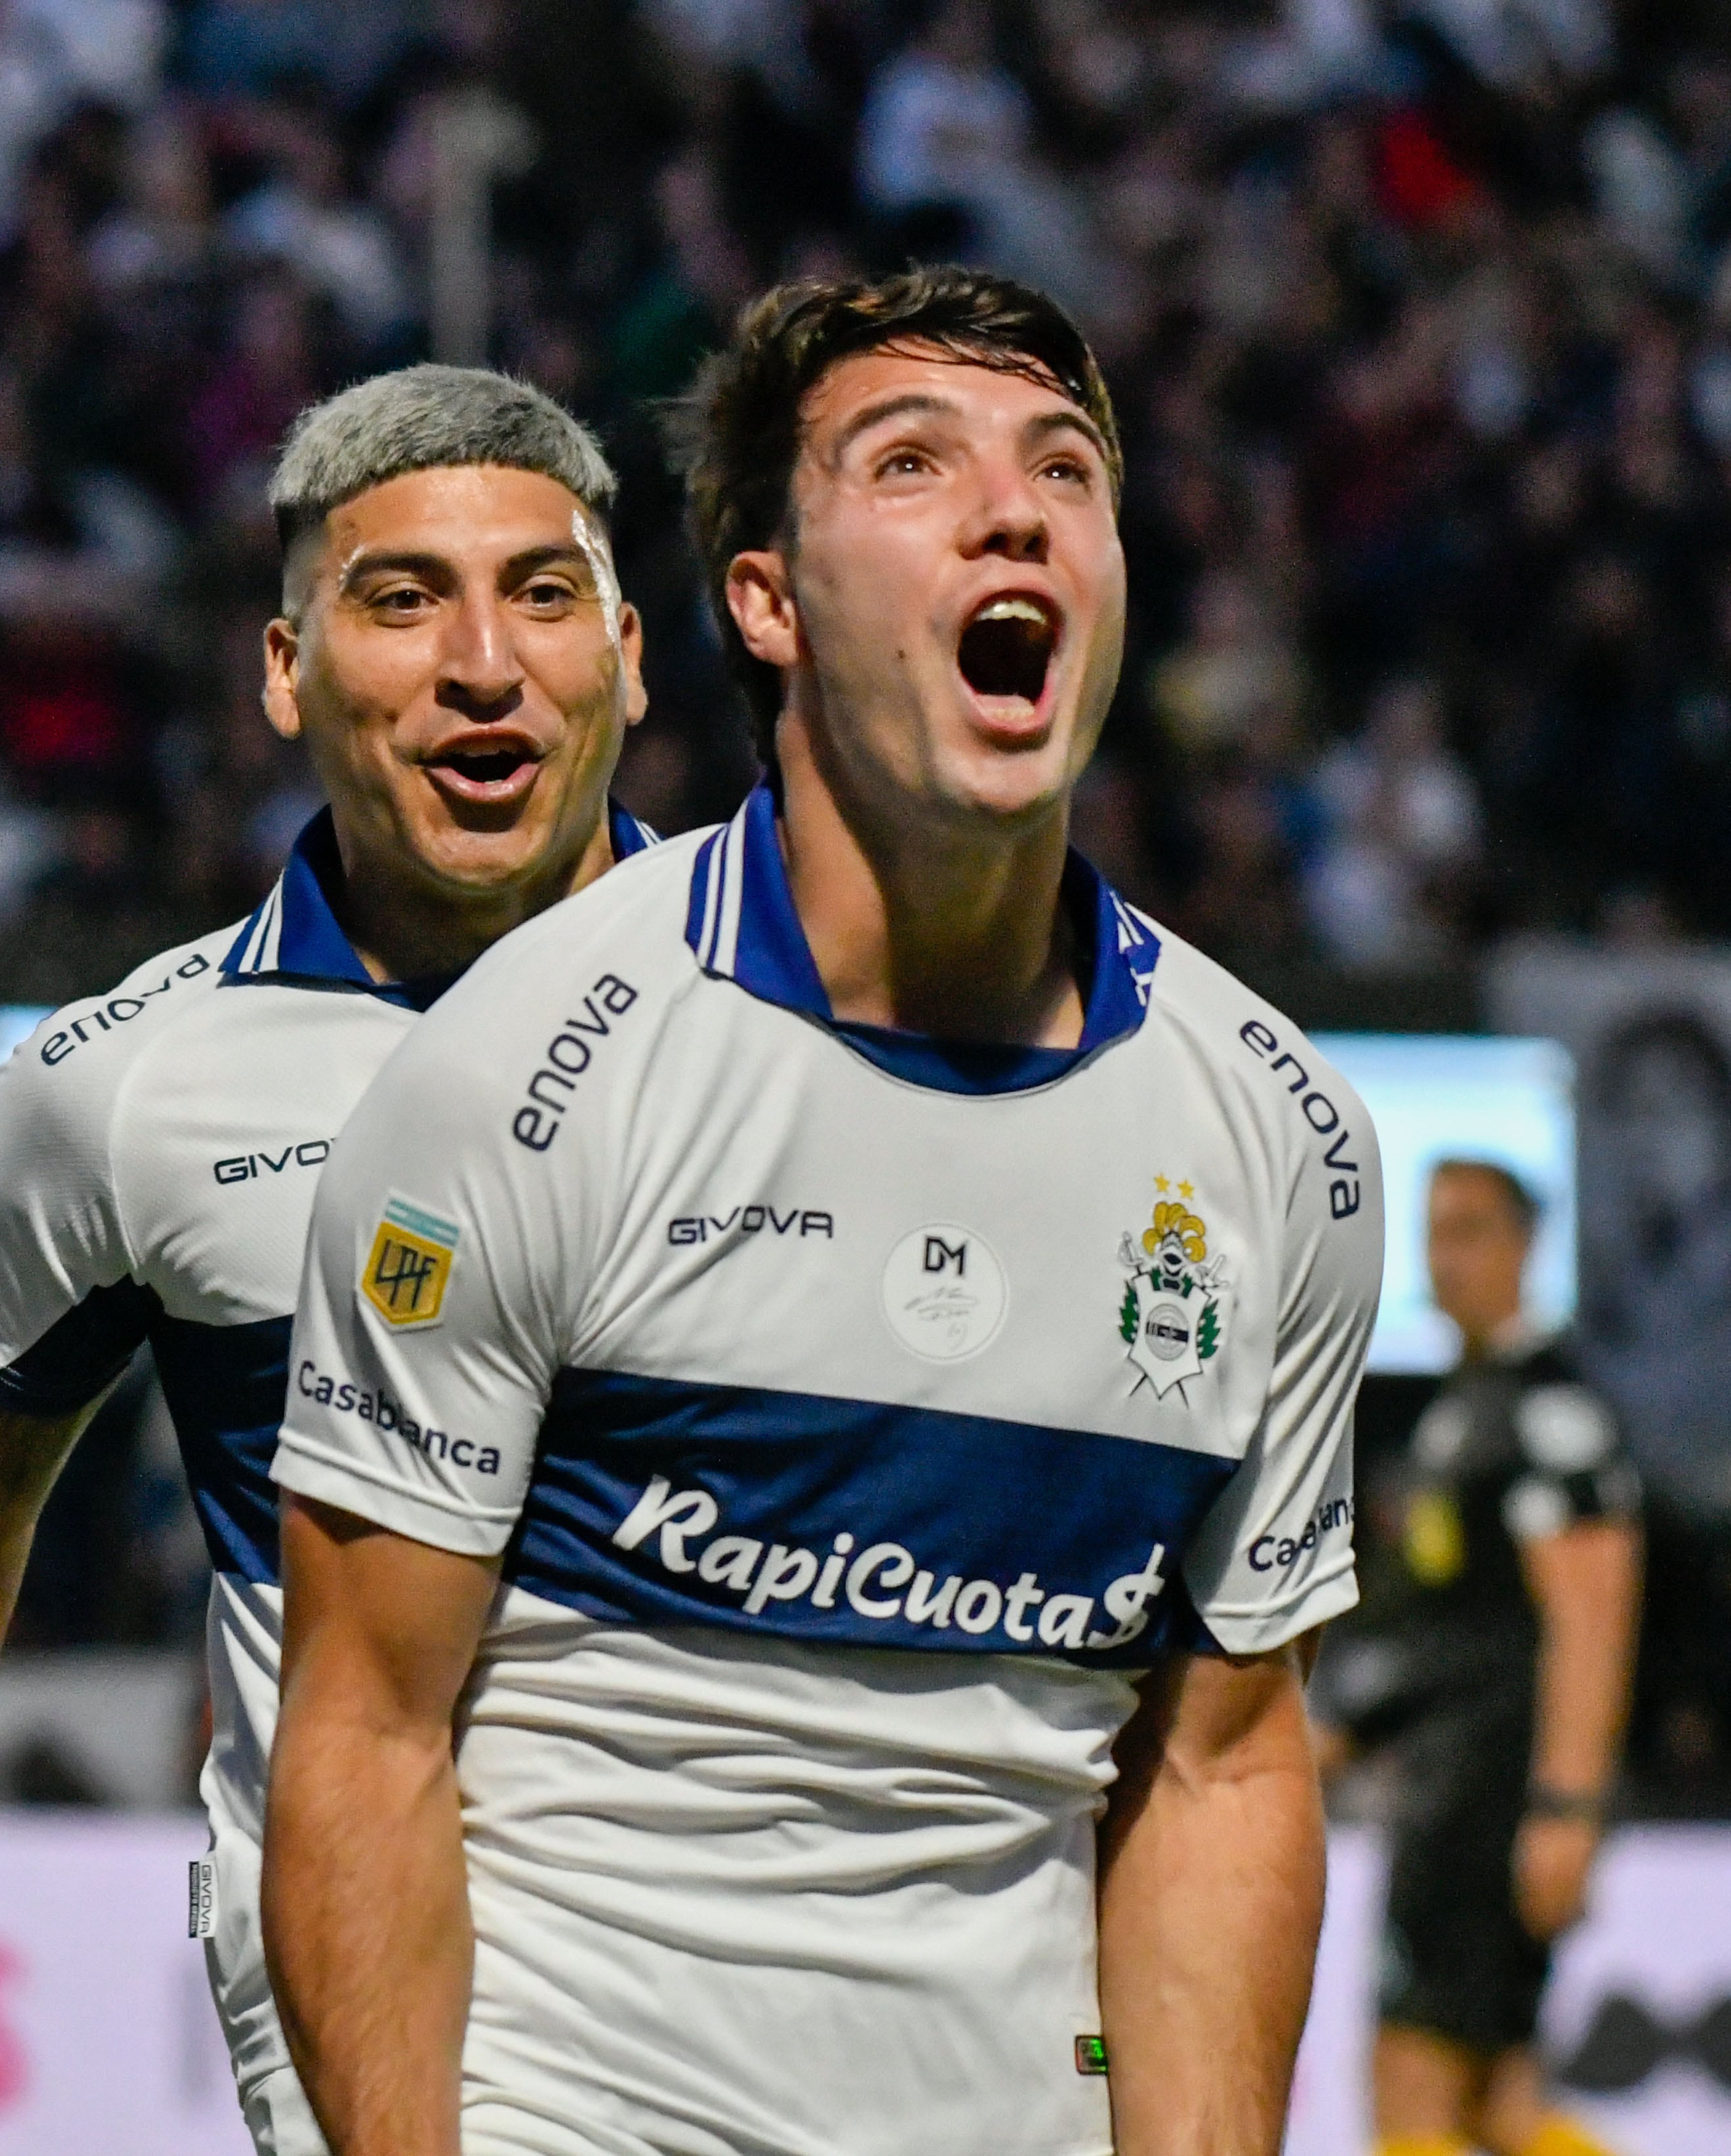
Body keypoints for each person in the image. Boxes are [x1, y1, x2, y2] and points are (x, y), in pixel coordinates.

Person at [262, 265, 1384, 2156]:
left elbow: (1219, 1762)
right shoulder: (528, 1073)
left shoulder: (1281, 1131)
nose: (1011, 508)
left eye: (1062, 469)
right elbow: (363, 1737)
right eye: (913, 463)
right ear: (767, 602)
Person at [0, 364, 655, 2156]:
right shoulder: (125, 1089)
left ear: (627, 652)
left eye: (541, 594)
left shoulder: (811, 1015)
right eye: (401, 599)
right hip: (387, 1979)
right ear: (286, 671)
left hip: (813, 1941)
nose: (481, 662)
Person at [1337, 1158, 1640, 2156]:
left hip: (1487, 1794)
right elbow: (1441, 1627)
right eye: (1431, 1229)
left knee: (1411, 2082)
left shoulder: (1549, 1409)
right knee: (1499, 2100)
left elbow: (1594, 1609)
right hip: (1449, 1779)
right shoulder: (1466, 1407)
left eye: (1469, 1229)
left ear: (1523, 1245)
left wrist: (1566, 1803)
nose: (1442, 1255)